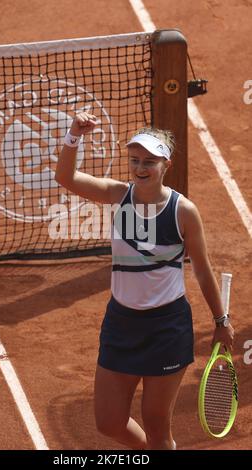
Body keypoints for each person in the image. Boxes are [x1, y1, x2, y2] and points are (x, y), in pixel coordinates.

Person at [55, 111, 234, 450]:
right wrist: (73, 135)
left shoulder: (183, 211)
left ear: (166, 163)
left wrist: (220, 320)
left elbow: (202, 269)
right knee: (108, 422)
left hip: (166, 329)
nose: (140, 168)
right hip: (121, 324)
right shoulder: (117, 195)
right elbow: (66, 177)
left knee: (156, 426)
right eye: (135, 160)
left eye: (149, 161)